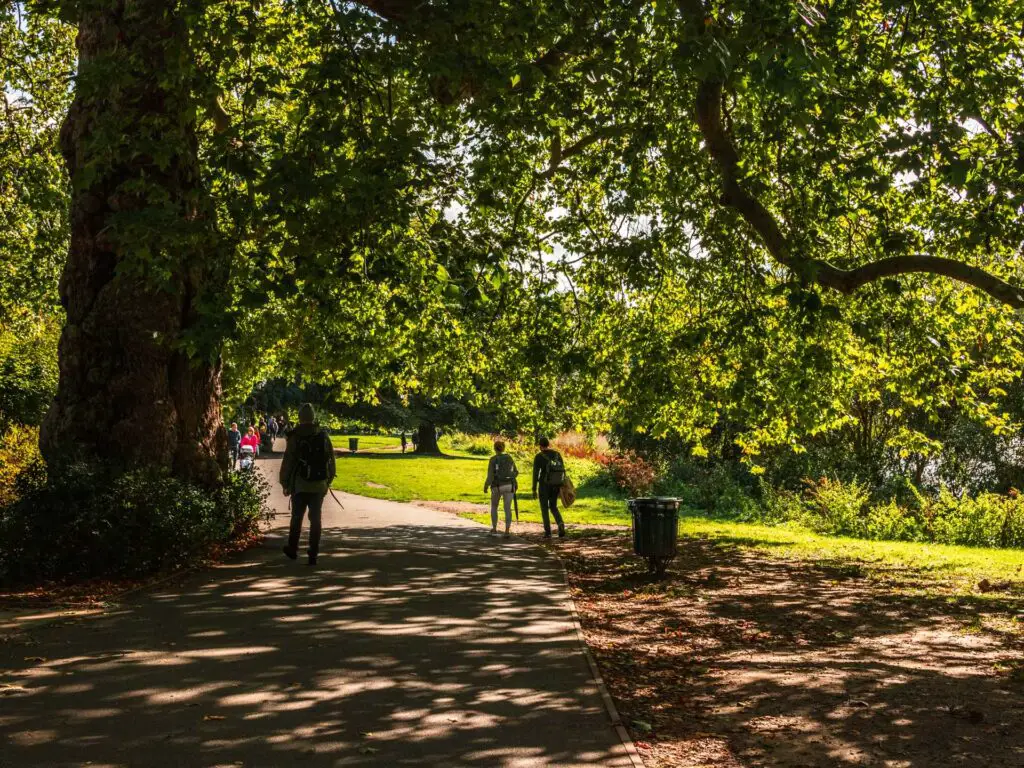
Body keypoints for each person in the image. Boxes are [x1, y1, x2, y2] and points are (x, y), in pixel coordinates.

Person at [279, 403, 336, 566]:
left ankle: (293, 548)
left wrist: (284, 482)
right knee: (316, 518)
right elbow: (331, 458)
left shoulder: (295, 436)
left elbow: (288, 461)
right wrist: (328, 479)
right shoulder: (323, 435)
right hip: (319, 484)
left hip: (300, 484)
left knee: (297, 517)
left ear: (300, 417)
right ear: (313, 417)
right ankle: (313, 553)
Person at [532, 436, 567, 538]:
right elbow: (562, 469)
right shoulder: (557, 454)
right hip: (556, 484)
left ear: (540, 446)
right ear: (548, 444)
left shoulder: (539, 457)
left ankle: (548, 532)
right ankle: (560, 523)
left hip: (544, 485)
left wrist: (534, 489)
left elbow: (535, 473)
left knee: (544, 508)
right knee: (553, 507)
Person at [484, 440, 518, 537]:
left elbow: (490, 476)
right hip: (509, 485)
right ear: (503, 448)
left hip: (497, 486)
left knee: (494, 506)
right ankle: (507, 530)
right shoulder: (509, 458)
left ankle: (494, 529)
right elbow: (515, 472)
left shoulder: (493, 459)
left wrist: (486, 486)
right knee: (507, 508)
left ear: (494, 448)